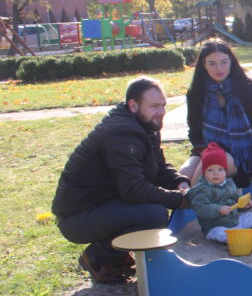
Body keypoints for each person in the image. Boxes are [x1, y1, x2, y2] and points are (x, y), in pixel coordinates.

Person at [52, 77, 190, 283]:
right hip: (77, 217)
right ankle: (97, 258)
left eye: (163, 106)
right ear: (133, 105)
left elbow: (159, 168)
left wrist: (180, 182)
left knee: (153, 210)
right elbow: (133, 189)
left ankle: (116, 254)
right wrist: (179, 200)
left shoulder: (144, 126)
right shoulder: (122, 133)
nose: (161, 112)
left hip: (102, 205)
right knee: (154, 214)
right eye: (154, 106)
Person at [179, 39, 252, 193]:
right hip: (207, 149)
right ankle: (183, 210)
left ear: (231, 61)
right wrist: (206, 152)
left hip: (244, 158)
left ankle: (196, 206)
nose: (219, 68)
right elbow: (194, 132)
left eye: (224, 62)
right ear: (204, 65)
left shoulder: (249, 89)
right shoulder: (197, 92)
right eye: (212, 63)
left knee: (200, 175)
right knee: (183, 175)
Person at [186, 142, 252, 246]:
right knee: (220, 233)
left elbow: (235, 200)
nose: (216, 173)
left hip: (234, 221)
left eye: (220, 169)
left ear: (226, 171)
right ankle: (245, 241)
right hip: (214, 226)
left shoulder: (229, 183)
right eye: (210, 170)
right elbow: (200, 208)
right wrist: (218, 209)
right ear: (204, 172)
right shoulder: (202, 189)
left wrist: (244, 204)